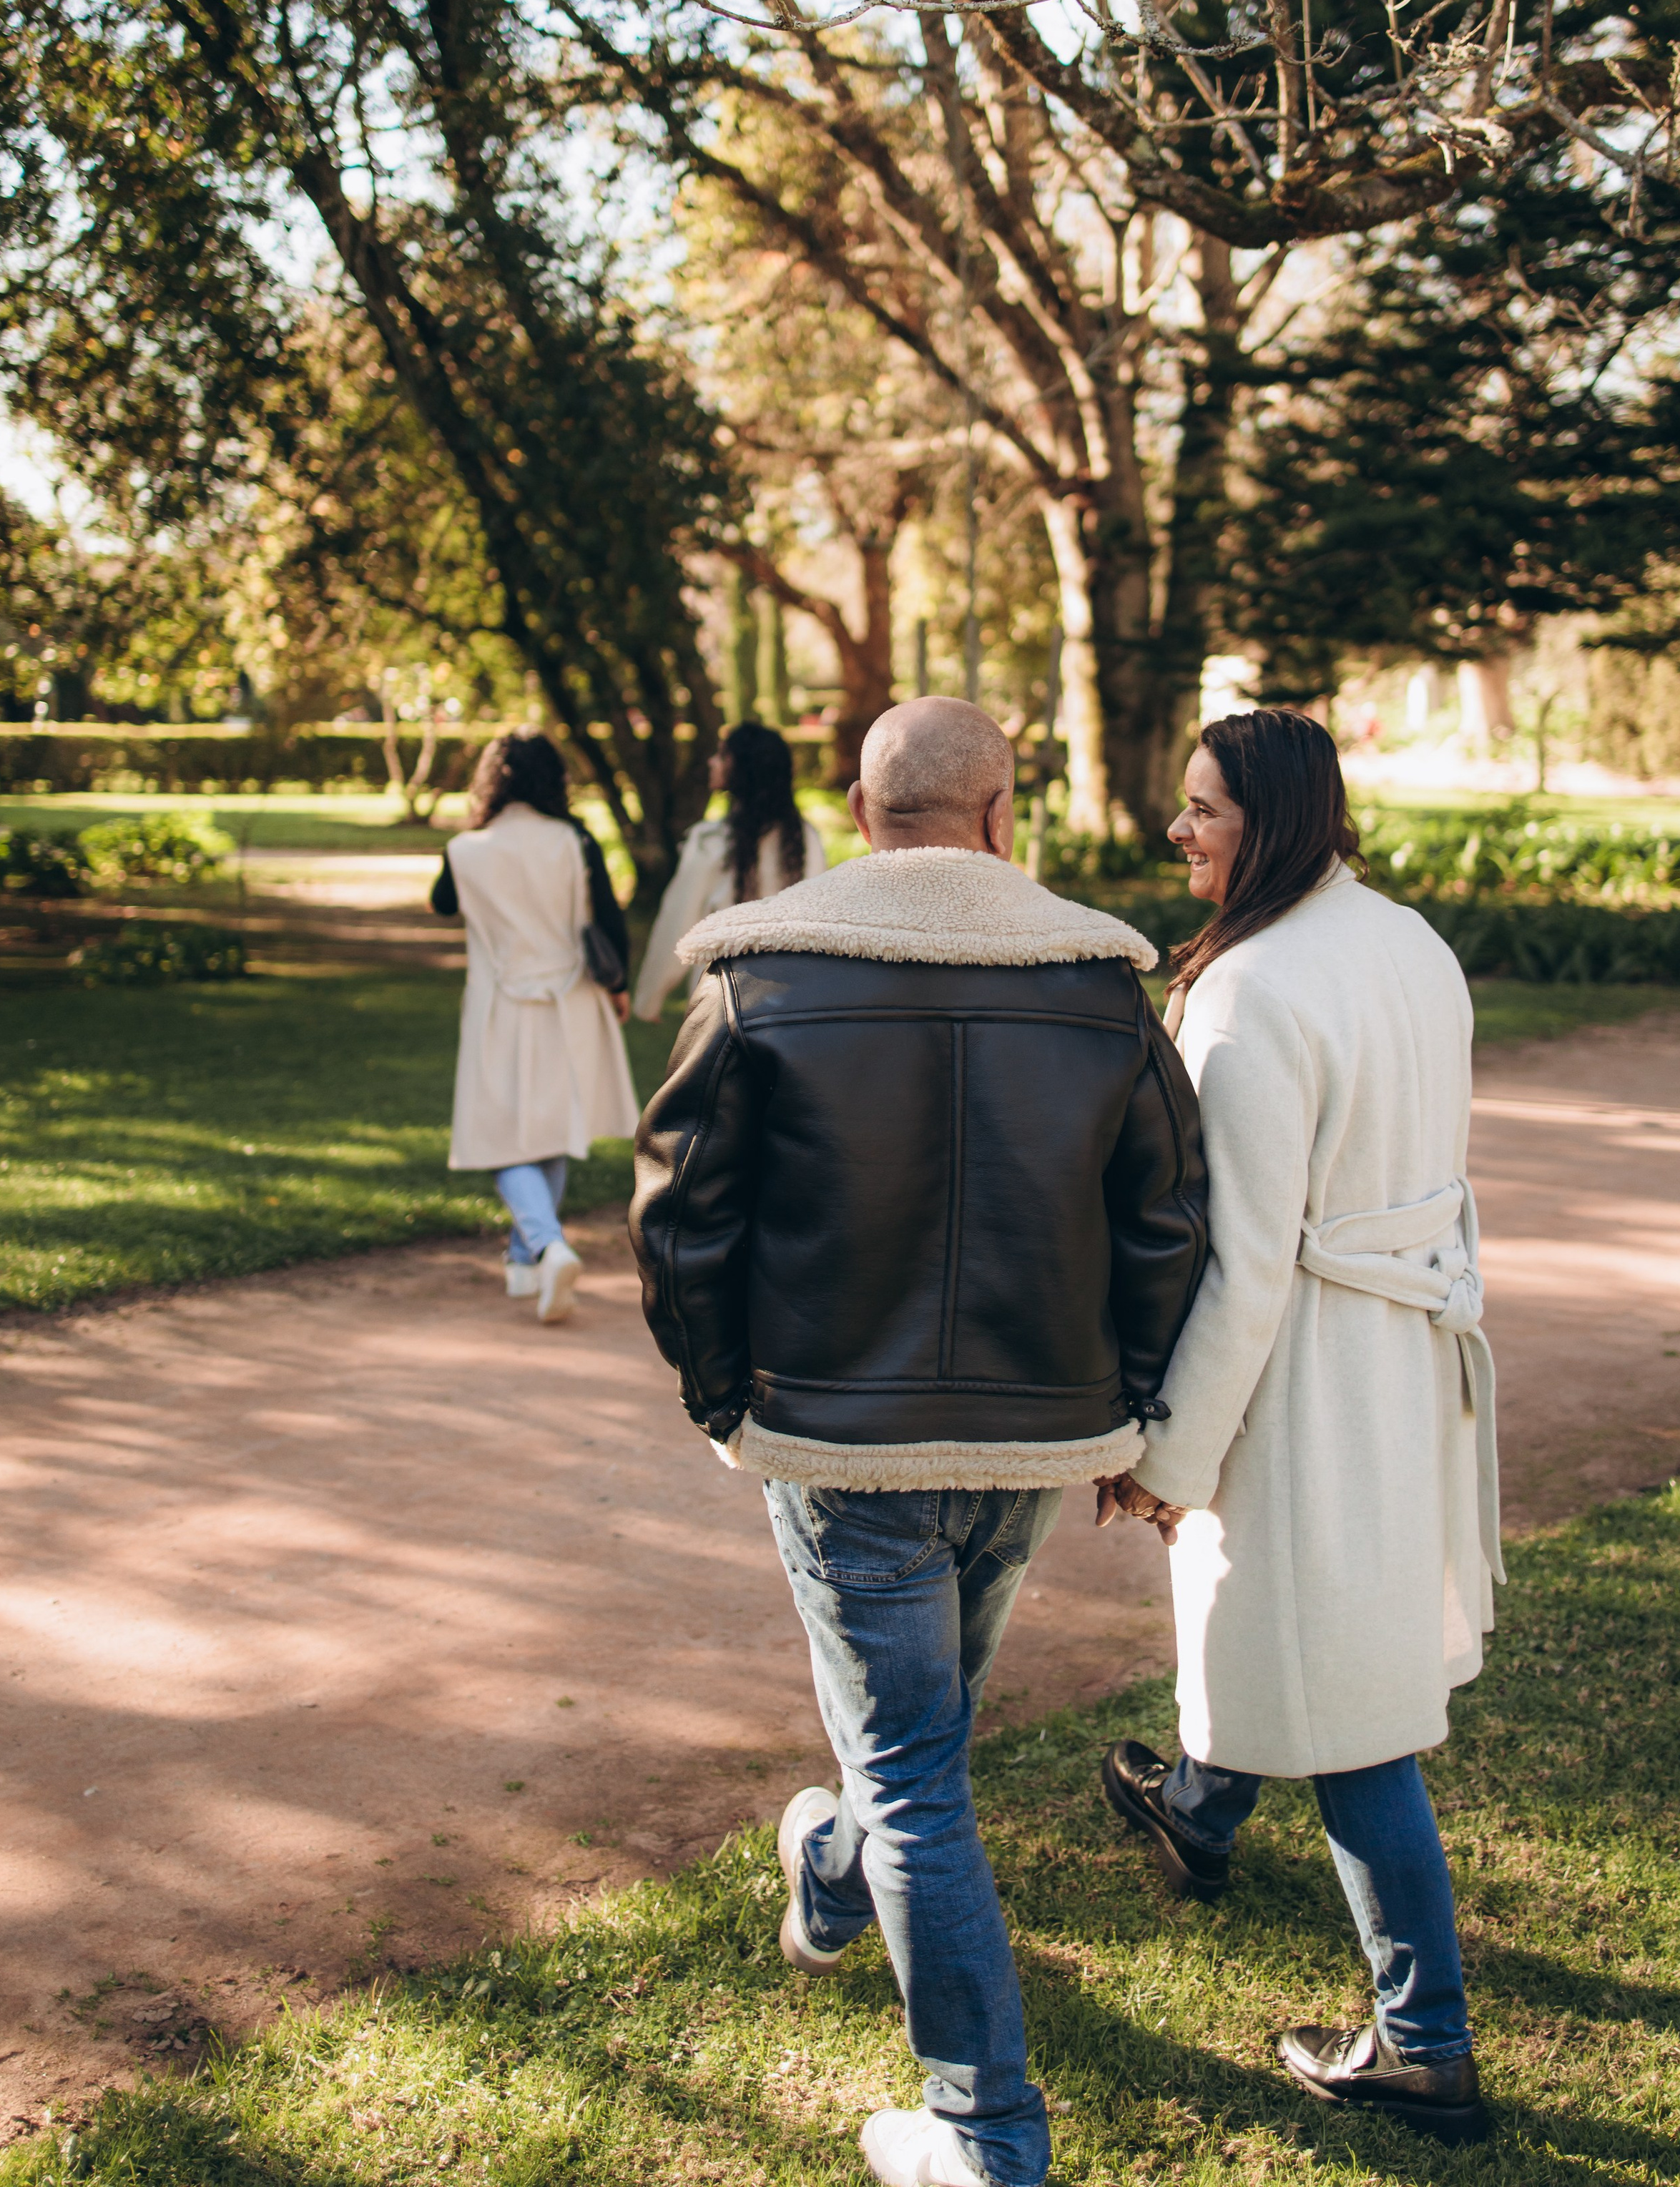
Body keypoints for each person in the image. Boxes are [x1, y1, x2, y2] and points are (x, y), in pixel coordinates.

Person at [630, 697, 1209, 2187]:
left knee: (910, 1768)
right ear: (1001, 814)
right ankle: (828, 1873)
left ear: (856, 807)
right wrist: (1127, 1402)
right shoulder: (1095, 983)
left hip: (838, 1437)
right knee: (913, 1749)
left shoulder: (767, 969)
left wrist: (719, 1396)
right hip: (1026, 1437)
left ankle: (985, 2135)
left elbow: (683, 1207)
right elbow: (1163, 1222)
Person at [1096, 708, 1500, 2144]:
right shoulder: (1410, 944)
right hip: (1400, 1361)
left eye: (1201, 807)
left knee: (1344, 1713)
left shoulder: (1248, 990)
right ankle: (1199, 1808)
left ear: (1266, 818)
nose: (1178, 830)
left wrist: (1168, 1454)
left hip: (1306, 1382)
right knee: (1313, 1639)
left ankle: (1423, 2041)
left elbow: (1242, 1257)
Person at [433, 729, 639, 1323]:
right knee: (551, 1123)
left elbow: (442, 903)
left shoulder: (465, 849)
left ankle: (544, 1247)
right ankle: (529, 1259)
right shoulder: (574, 840)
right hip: (571, 997)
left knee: (503, 1132)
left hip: (500, 1003)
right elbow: (607, 915)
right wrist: (618, 985)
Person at [631, 719, 826, 1020]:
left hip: (722, 1003)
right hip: (792, 998)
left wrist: (649, 998)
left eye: (722, 755)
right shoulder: (805, 839)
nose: (711, 762)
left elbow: (678, 921)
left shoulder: (711, 842)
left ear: (742, 769)